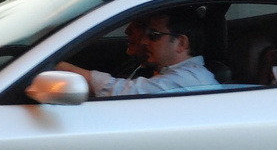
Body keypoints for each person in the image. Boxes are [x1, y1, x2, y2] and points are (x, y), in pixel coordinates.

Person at [59, 8, 218, 97]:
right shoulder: (179, 74)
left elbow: (121, 92)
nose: (144, 41)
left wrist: (55, 65)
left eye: (153, 36)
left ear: (181, 43)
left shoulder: (187, 80)